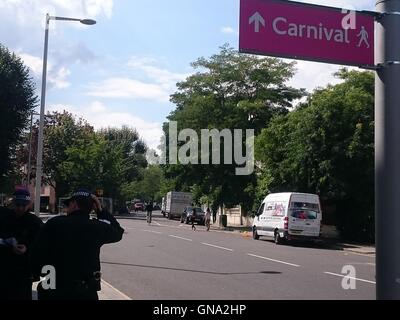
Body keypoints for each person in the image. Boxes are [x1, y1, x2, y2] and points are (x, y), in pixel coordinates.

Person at [30, 188, 124, 300]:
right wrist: (100, 210)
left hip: (53, 287)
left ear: (74, 204)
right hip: (84, 291)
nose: (66, 208)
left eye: (68, 204)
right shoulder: (97, 227)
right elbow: (118, 232)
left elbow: (36, 252)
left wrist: (35, 274)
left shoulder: (55, 223)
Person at [0, 187, 43, 300]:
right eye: (17, 205)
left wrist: (27, 248)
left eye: (23, 205)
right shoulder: (4, 217)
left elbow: (41, 245)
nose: (20, 208)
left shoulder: (34, 222)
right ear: (13, 203)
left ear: (28, 204)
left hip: (24, 273)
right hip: (4, 269)